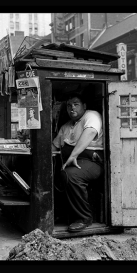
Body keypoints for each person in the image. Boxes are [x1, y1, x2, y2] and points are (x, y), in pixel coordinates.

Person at [52, 93, 104, 232]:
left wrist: (73, 155)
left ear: (84, 106)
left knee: (71, 176)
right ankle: (62, 213)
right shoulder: (66, 126)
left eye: (76, 104)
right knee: (55, 176)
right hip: (73, 161)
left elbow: (91, 132)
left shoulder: (91, 116)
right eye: (69, 105)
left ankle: (84, 218)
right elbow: (54, 146)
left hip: (92, 162)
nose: (72, 108)